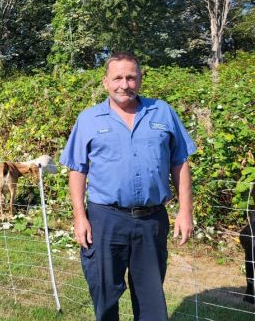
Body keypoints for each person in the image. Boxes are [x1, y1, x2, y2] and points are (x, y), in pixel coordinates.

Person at [59, 52, 196, 320]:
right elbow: (78, 170)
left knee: (150, 297)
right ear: (105, 82)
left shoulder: (162, 112)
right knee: (104, 291)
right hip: (105, 219)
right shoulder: (88, 119)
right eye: (118, 78)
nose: (125, 84)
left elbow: (180, 163)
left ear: (140, 79)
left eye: (131, 77)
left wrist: (185, 211)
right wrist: (79, 217)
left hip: (151, 220)